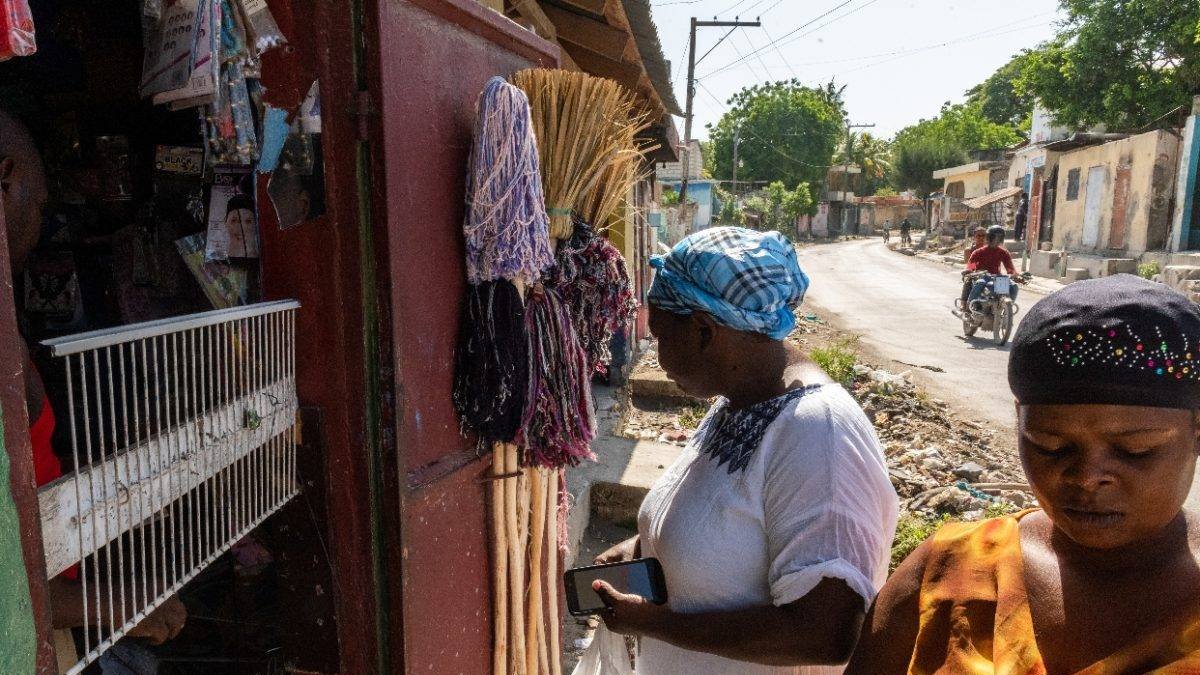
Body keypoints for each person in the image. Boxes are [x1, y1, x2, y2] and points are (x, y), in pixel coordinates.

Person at [848, 274, 1200, 673]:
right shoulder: (950, 571)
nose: (1087, 476)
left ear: (1197, 431)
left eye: (1136, 449)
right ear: (1019, 424)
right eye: (1050, 445)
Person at [591, 227, 899, 674]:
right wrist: (646, 546)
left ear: (703, 330)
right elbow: (725, 523)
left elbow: (825, 633)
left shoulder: (820, 435)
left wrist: (660, 625)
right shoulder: (740, 404)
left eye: (660, 336)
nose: (657, 355)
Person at [1, 109, 187, 644]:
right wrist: (120, 605)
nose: (40, 225)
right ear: (5, 178)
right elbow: (6, 576)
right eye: (37, 206)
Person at [958, 225, 1019, 313]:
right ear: (989, 237)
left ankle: (1006, 312)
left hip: (998, 278)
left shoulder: (1003, 252)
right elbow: (971, 264)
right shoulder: (978, 252)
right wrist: (969, 270)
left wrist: (1015, 274)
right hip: (982, 276)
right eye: (994, 237)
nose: (996, 240)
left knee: (1014, 286)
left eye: (999, 237)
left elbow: (1010, 268)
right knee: (980, 283)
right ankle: (969, 307)